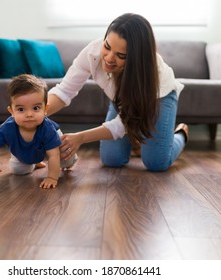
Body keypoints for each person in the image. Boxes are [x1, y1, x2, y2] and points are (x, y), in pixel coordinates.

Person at [47, 13, 188, 171]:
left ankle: (180, 134)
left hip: (158, 97)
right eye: (107, 46)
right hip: (124, 102)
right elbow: (65, 90)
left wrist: (80, 138)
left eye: (121, 55)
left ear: (135, 58)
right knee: (111, 159)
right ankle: (138, 141)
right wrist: (39, 112)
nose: (109, 58)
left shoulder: (148, 73)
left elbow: (123, 124)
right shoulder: (92, 53)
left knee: (156, 163)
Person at [0, 74, 77, 189]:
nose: (29, 114)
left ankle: (72, 158)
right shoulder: (7, 128)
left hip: (53, 150)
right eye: (21, 109)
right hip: (23, 152)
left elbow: (53, 155)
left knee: (65, 160)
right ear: (11, 111)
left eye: (36, 108)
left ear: (45, 109)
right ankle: (34, 162)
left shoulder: (47, 129)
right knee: (18, 171)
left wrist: (52, 177)